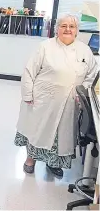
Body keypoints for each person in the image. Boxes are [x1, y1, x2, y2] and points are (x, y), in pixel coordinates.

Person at [15, 13, 98, 178]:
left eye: (72, 26)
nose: (67, 29)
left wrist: (83, 94)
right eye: (63, 26)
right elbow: (29, 71)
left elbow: (92, 75)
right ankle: (30, 160)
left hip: (70, 101)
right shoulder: (45, 47)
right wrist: (27, 95)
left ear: (77, 31)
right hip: (43, 99)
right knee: (37, 131)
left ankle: (53, 164)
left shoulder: (84, 50)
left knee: (59, 136)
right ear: (57, 29)